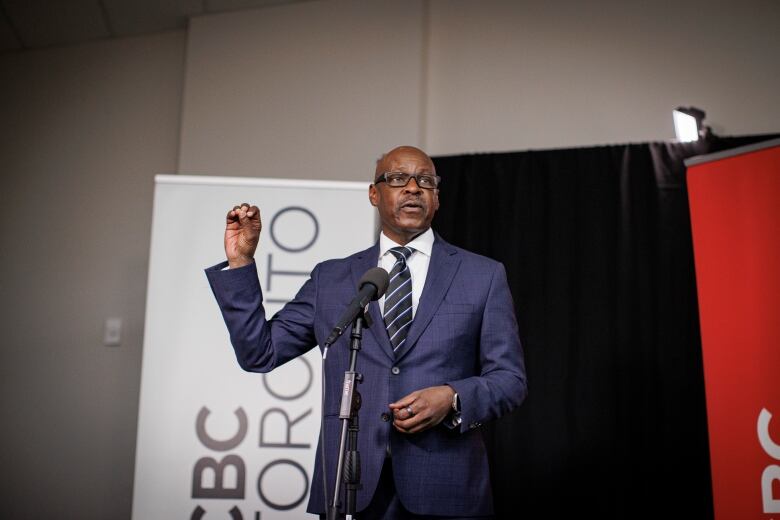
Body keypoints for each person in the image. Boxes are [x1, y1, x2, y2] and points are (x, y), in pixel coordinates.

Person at [205, 146, 527, 518]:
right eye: (397, 179)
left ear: (436, 198)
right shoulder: (332, 278)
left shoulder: (482, 276)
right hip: (350, 486)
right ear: (374, 194)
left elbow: (510, 379)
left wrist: (452, 397)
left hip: (446, 489)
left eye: (425, 181)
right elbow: (259, 353)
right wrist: (241, 262)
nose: (413, 188)